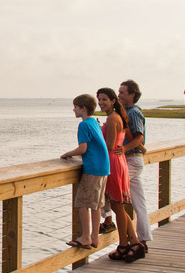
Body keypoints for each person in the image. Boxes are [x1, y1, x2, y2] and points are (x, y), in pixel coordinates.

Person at [96, 87, 143, 262]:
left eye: (104, 100)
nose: (101, 103)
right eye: (99, 100)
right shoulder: (118, 117)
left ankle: (125, 245)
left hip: (112, 163)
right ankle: (133, 243)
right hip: (119, 160)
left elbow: (108, 146)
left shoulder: (111, 119)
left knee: (117, 206)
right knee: (119, 206)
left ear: (113, 100)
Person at [60, 93, 109, 250]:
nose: (73, 109)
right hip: (104, 168)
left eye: (75, 107)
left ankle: (85, 237)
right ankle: (94, 237)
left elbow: (83, 148)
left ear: (83, 108)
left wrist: (67, 154)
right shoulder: (94, 123)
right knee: (96, 205)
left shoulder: (84, 125)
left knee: (82, 202)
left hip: (93, 169)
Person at [117, 79, 152, 254]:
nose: (119, 95)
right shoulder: (124, 111)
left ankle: (108, 220)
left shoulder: (134, 113)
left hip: (131, 159)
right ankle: (143, 240)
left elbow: (139, 138)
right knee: (139, 202)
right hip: (131, 159)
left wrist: (124, 148)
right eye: (119, 92)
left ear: (132, 95)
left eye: (122, 92)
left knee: (112, 192)